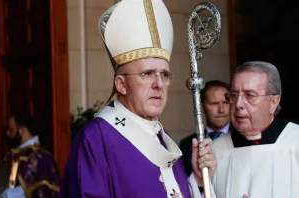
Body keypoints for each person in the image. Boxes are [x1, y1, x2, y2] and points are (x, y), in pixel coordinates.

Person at [60, 0, 216, 197]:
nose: (159, 84)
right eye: (147, 74)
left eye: (165, 75)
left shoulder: (160, 137)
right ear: (121, 85)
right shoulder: (97, 139)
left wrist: (198, 182)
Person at [211, 61, 299, 197]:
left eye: (250, 95)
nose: (238, 104)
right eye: (234, 95)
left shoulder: (295, 141)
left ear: (274, 102)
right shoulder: (216, 150)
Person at [0, 113, 60, 198]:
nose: (7, 133)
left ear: (22, 130)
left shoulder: (39, 157)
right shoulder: (12, 155)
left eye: (11, 130)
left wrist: (6, 194)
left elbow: (24, 191)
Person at [179, 80, 231, 176]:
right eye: (215, 103)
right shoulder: (187, 145)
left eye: (225, 103)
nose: (221, 110)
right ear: (202, 107)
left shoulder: (242, 139)